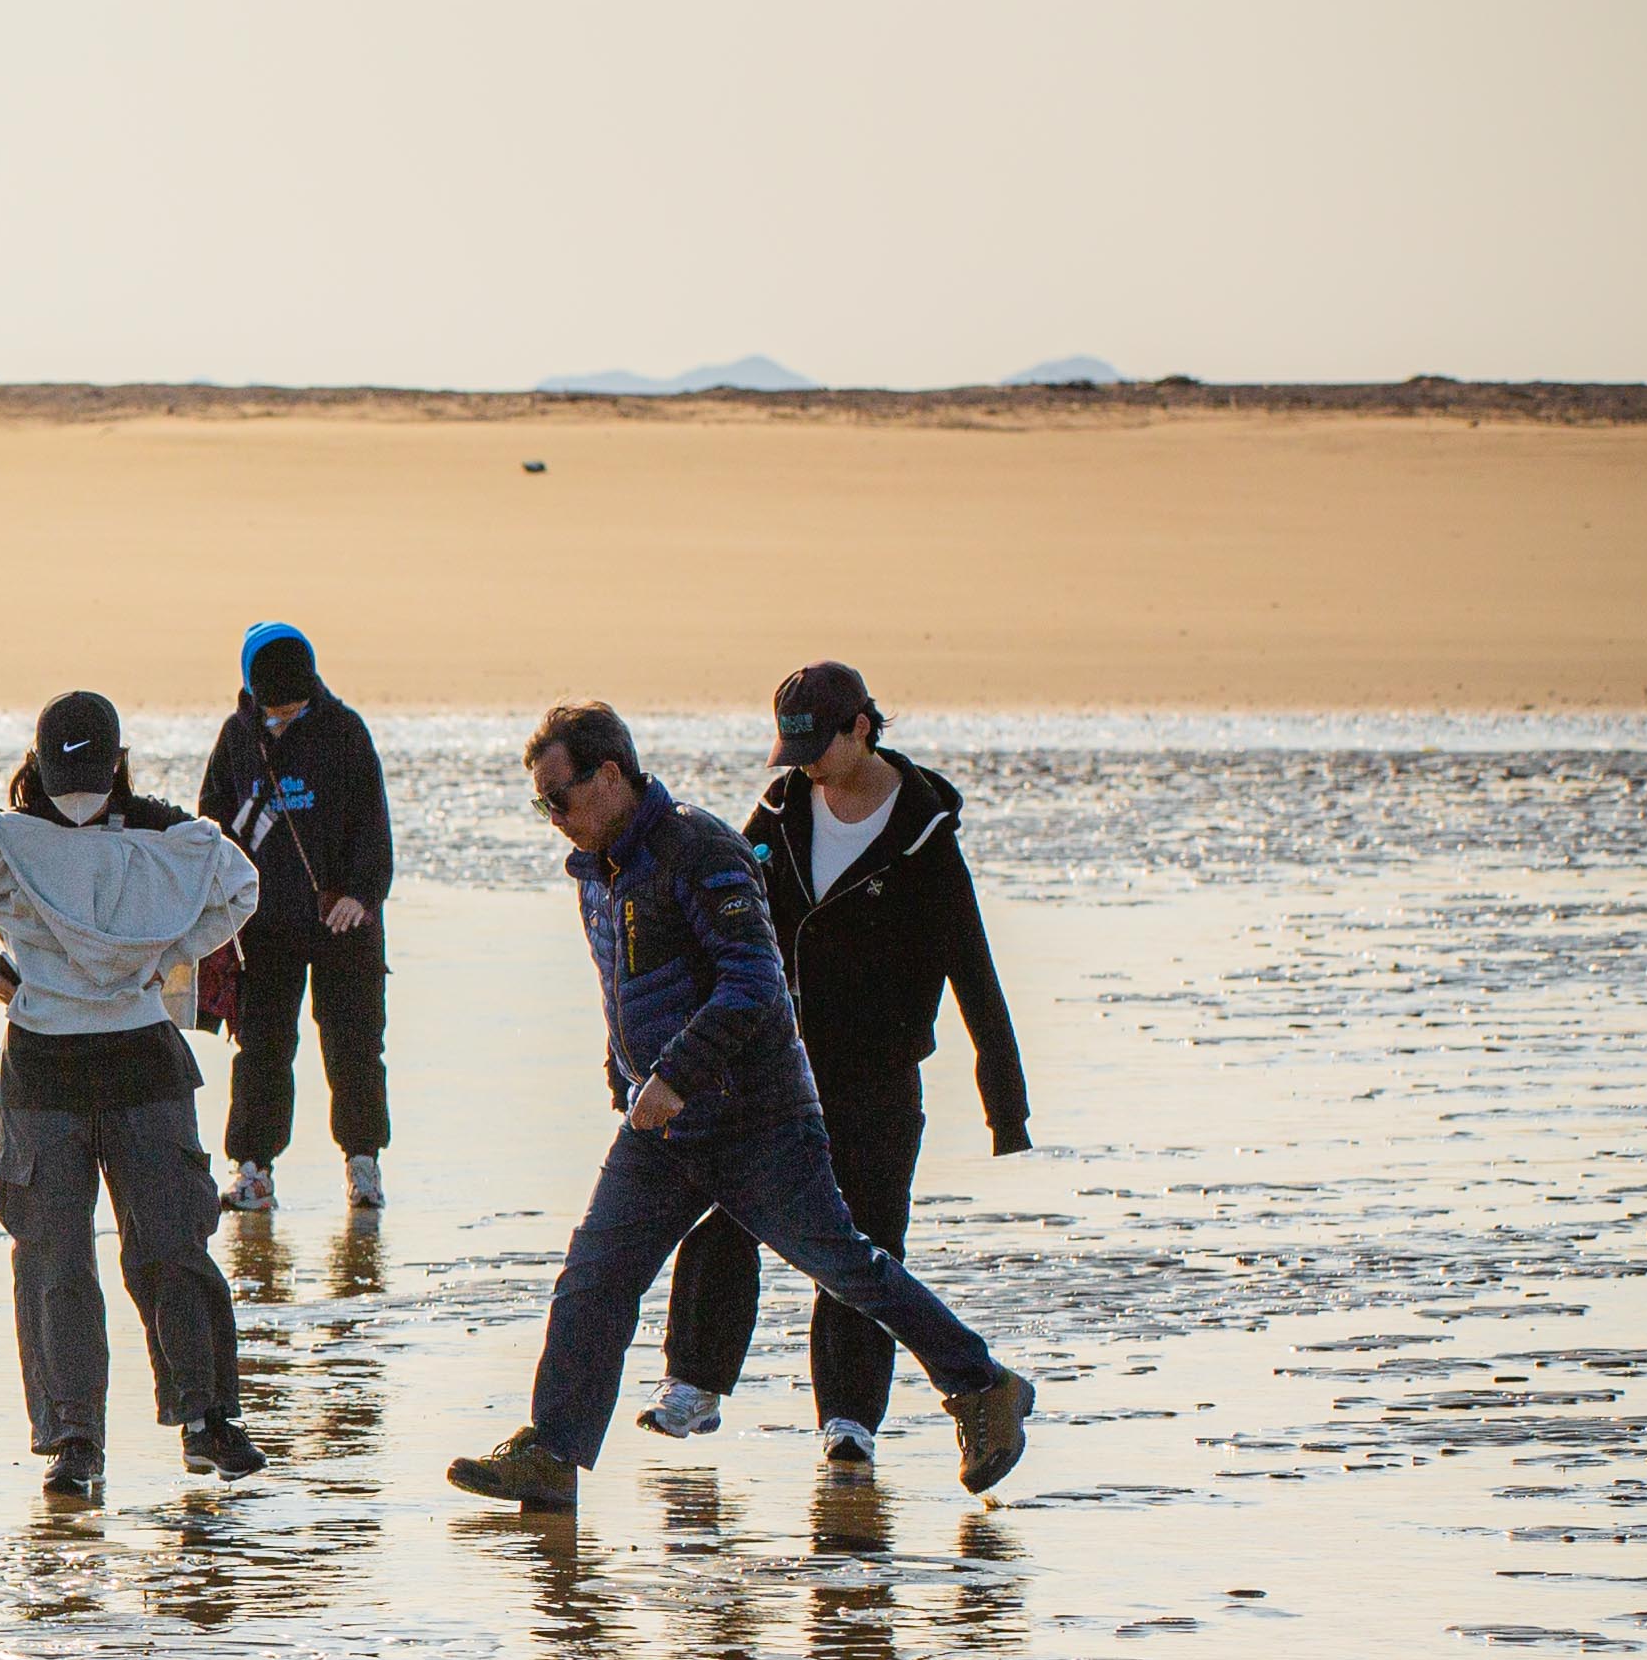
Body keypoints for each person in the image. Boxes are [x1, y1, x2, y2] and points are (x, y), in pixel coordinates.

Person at [449, 704, 1039, 1510]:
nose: (552, 818)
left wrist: (673, 1077)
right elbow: (624, 987)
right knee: (593, 1278)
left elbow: (753, 985)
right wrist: (622, 1073)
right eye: (539, 804)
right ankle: (551, 1452)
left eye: (558, 797)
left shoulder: (701, 849)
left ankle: (983, 1385)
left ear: (609, 775)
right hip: (662, 1129)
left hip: (756, 1118)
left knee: (846, 1267)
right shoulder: (598, 868)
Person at [640, 660, 1041, 1479]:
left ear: (862, 728)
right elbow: (723, 929)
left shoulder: (923, 833)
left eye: (815, 746)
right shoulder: (780, 811)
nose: (802, 764)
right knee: (724, 1211)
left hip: (879, 1074)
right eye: (790, 749)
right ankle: (692, 1384)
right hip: (777, 1062)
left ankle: (849, 1421)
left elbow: (973, 966)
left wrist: (1005, 1104)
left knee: (863, 1240)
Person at [0, 694, 274, 1500]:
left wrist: (169, 957)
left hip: (143, 1059)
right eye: (63, 777)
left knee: (174, 1243)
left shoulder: (165, 834)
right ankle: (73, 1440)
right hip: (41, 1066)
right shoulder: (2, 840)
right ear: (40, 771)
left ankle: (206, 1418)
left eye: (89, 774)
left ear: (115, 765)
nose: (77, 793)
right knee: (52, 1260)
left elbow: (239, 884)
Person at [190, 621, 396, 1216]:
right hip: (266, 928)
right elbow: (213, 825)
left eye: (296, 708)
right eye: (274, 710)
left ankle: (363, 1165)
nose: (285, 717)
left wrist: (362, 894)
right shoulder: (237, 738)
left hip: (345, 927)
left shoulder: (345, 731)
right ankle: (252, 1170)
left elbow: (372, 826)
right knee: (261, 1048)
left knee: (355, 1046)